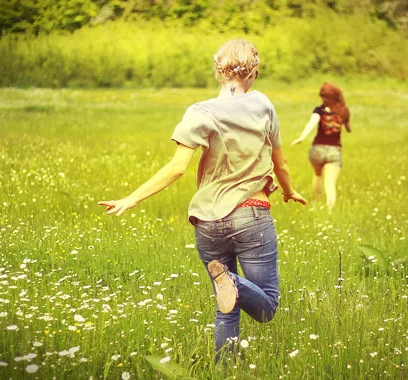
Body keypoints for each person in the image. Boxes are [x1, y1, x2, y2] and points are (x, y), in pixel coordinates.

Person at [98, 39, 306, 361]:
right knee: (268, 307)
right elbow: (281, 164)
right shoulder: (263, 105)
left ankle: (225, 367)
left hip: (207, 223)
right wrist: (289, 191)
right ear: (254, 71)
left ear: (218, 71)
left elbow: (177, 167)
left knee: (227, 309)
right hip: (251, 215)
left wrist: (132, 198)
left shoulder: (199, 112)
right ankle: (232, 282)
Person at [291, 82, 351, 211]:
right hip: (334, 150)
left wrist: (302, 137)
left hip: (317, 149)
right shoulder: (343, 111)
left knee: (317, 175)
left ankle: (317, 202)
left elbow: (312, 123)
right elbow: (347, 128)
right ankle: (330, 211)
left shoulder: (319, 110)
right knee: (330, 185)